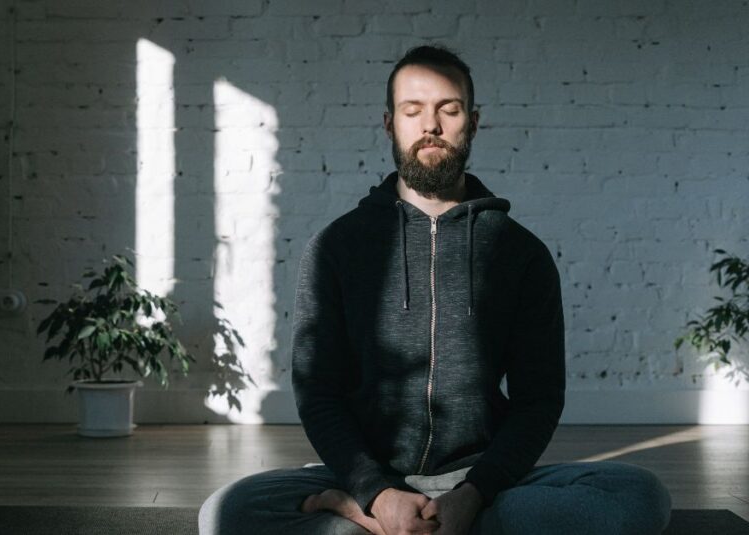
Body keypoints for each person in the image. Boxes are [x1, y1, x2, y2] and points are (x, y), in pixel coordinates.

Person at [198, 45, 673, 535]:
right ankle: (381, 514)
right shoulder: (336, 247)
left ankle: (407, 523)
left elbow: (539, 398)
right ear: (390, 124)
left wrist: (474, 494)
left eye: (449, 109)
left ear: (472, 121)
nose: (432, 125)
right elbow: (319, 394)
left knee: (639, 497)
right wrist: (376, 492)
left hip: (484, 477)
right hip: (369, 473)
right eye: (413, 111)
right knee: (224, 513)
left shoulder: (520, 252)